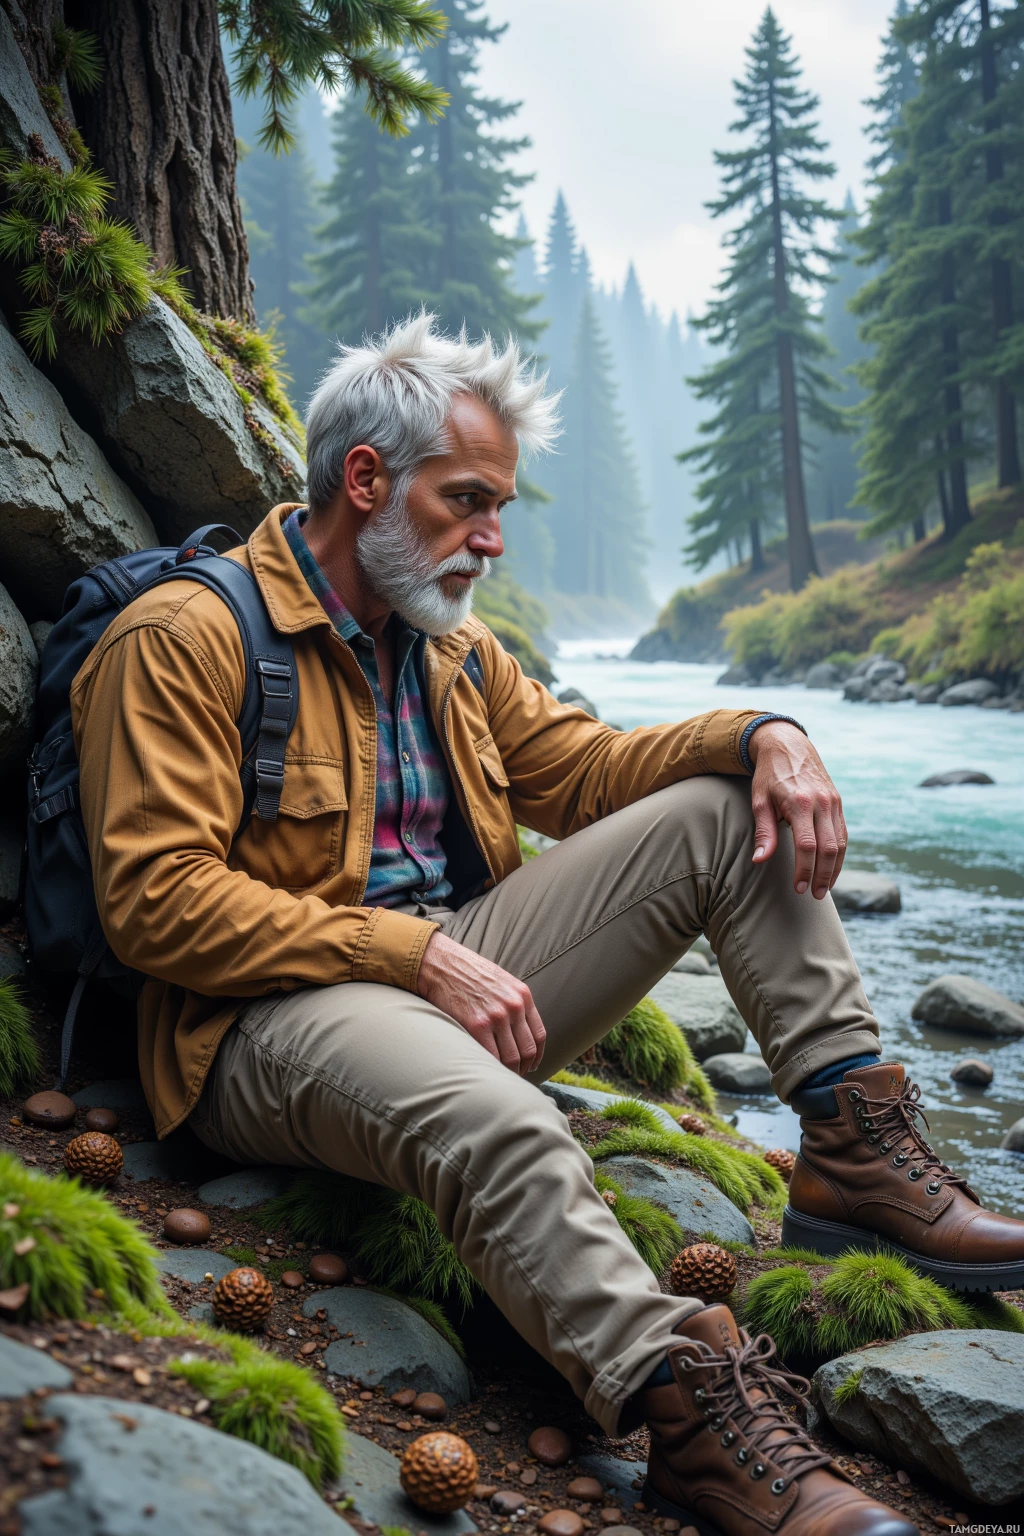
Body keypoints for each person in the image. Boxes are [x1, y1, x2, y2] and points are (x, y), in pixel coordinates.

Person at [72, 315, 1023, 1536]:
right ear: (364, 479)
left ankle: (853, 1152)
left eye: (500, 506)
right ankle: (692, 1422)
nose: (491, 538)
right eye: (465, 501)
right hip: (259, 1026)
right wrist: (414, 952)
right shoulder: (187, 639)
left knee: (724, 808)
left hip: (447, 978)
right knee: (505, 1123)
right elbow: (155, 902)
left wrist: (764, 734)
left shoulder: (453, 650)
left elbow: (589, 773)